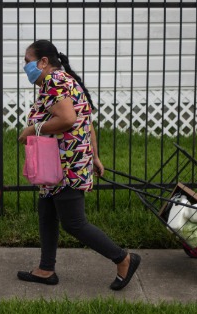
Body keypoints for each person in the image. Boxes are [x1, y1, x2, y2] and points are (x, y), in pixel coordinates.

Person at [16, 40, 140, 291]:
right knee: (47, 212)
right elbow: (86, 122)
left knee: (74, 223)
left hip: (65, 164)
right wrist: (94, 156)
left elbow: (69, 119)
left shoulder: (54, 81)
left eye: (27, 61)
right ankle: (46, 269)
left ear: (43, 62)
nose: (24, 66)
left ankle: (123, 259)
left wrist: (32, 129)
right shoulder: (65, 80)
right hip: (62, 161)